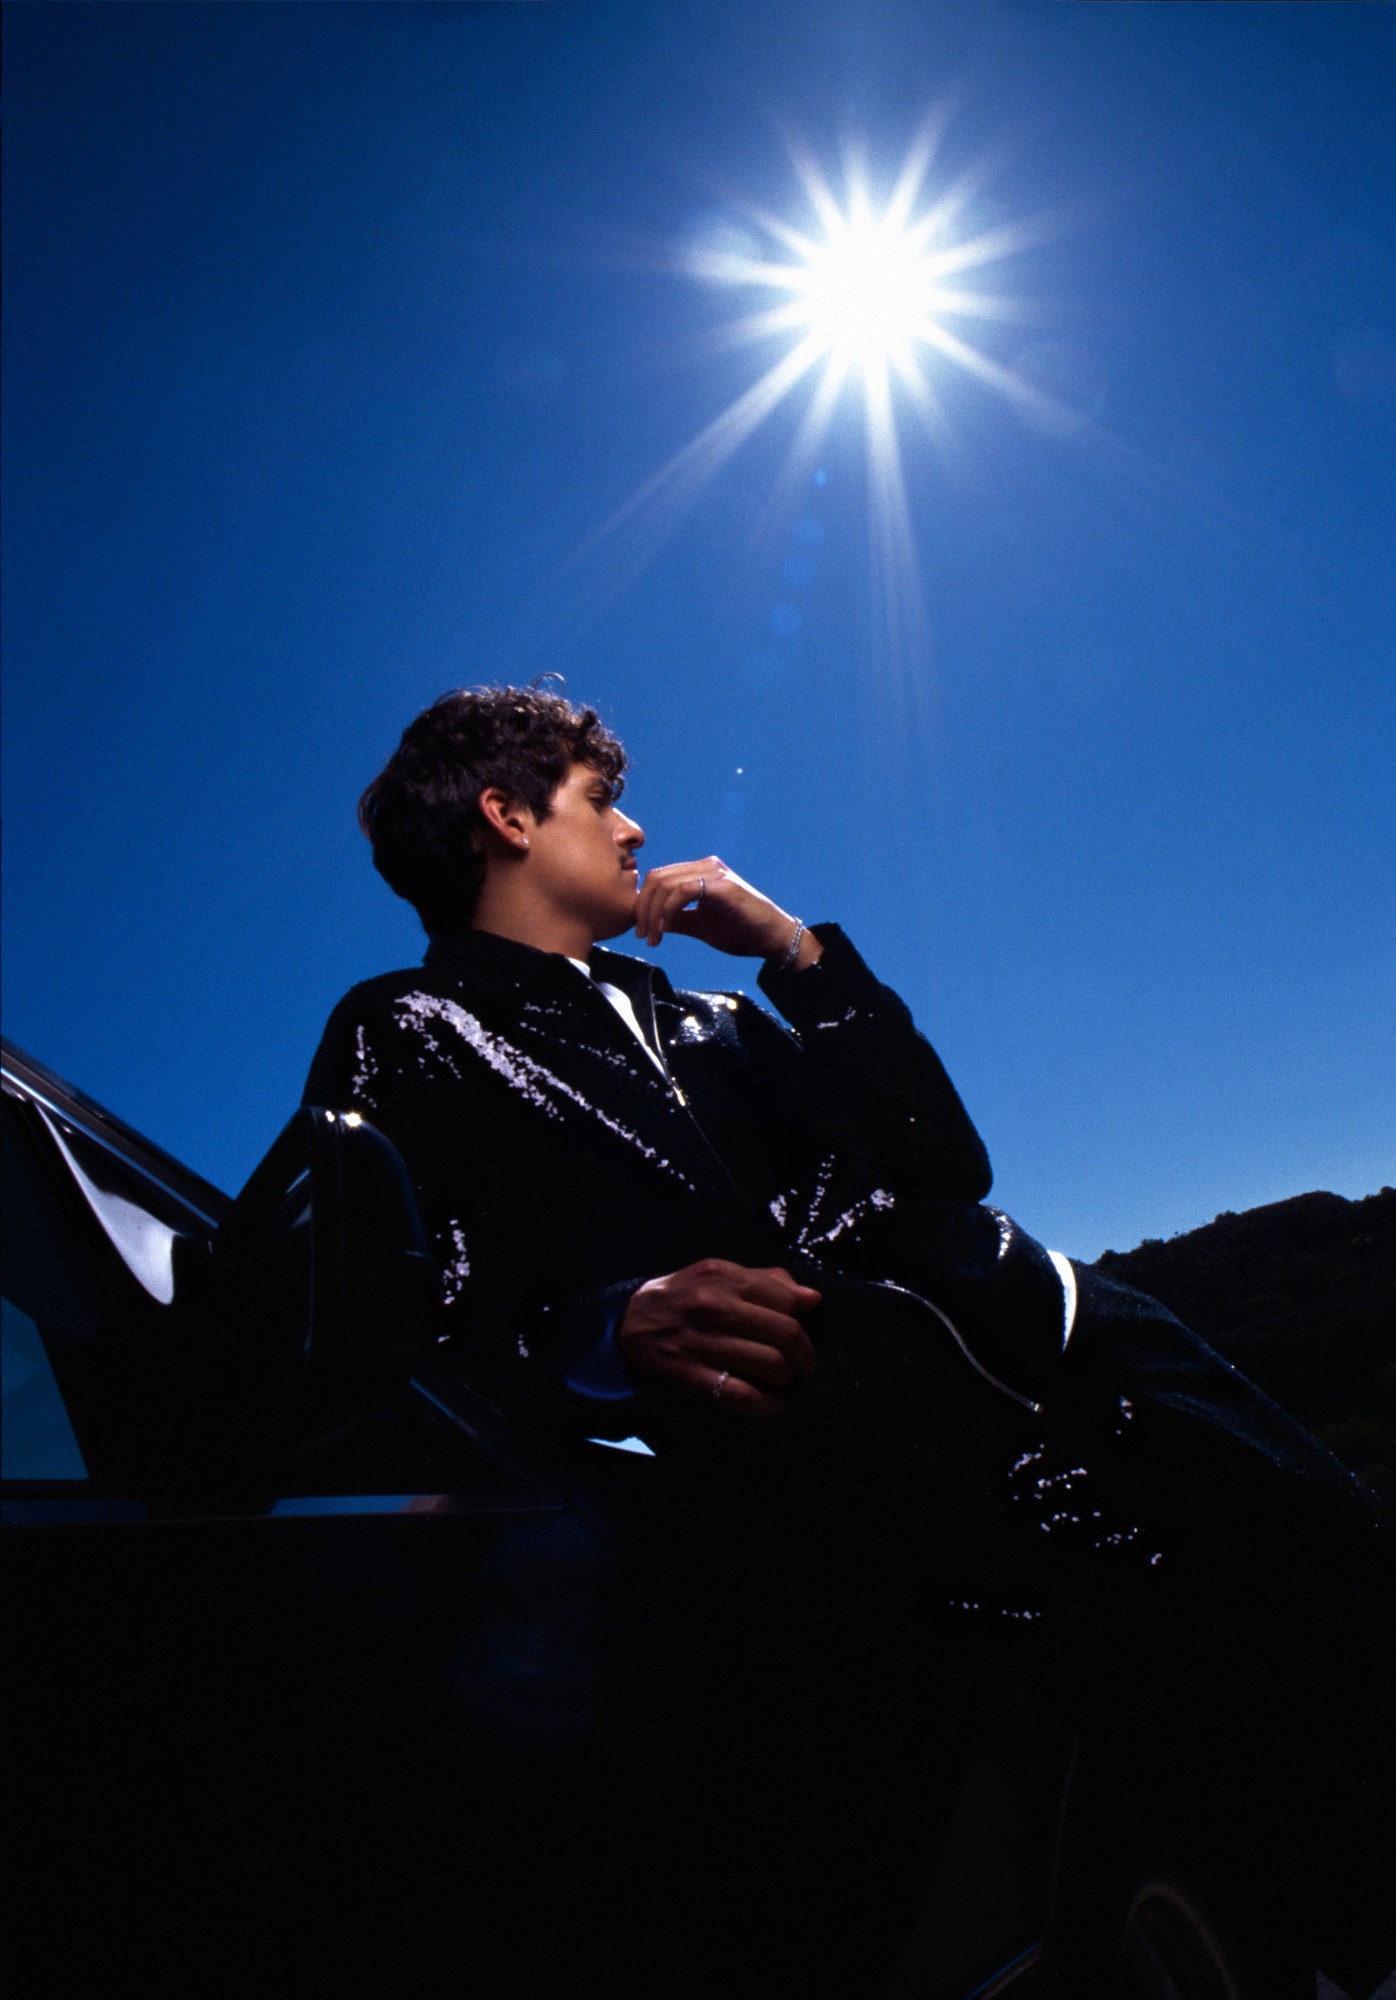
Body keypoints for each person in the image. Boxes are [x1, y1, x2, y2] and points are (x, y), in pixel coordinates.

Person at [304, 686, 1394, 1994]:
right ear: (505, 816)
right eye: (601, 799)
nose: (638, 828)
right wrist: (603, 1333)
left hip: (1080, 1363)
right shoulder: (410, 1029)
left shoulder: (713, 1017)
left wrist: (793, 951)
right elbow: (389, 1316)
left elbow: (943, 1164)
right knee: (1076, 1831)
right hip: (875, 1503)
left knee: (1330, 1637)